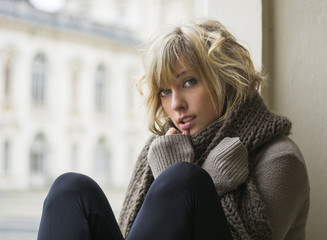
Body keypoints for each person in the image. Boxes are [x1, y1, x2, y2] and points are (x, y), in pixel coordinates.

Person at [37, 19, 310, 240]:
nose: (176, 104)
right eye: (165, 91)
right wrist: (204, 178)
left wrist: (197, 182)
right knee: (70, 189)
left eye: (189, 82)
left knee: (182, 178)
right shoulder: (161, 150)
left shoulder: (279, 159)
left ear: (226, 80)